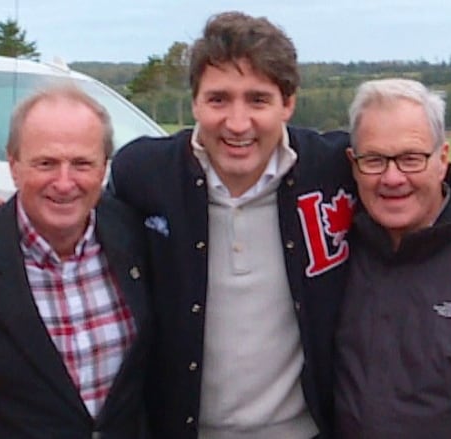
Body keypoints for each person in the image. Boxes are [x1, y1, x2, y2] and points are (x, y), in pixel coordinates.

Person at [109, 11, 356, 438]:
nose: (237, 123)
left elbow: (423, 190)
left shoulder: (334, 169)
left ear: (288, 103)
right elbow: (74, 226)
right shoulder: (144, 175)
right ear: (195, 102)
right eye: (219, 99)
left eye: (258, 100)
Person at [0, 86, 152, 438]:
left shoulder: (135, 235)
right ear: (13, 165)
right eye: (46, 163)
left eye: (82, 163)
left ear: (104, 167)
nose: (64, 182)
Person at [334, 78, 451, 437]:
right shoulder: (335, 254)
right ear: (353, 164)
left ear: (443, 158)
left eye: (410, 159)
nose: (392, 178)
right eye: (374, 159)